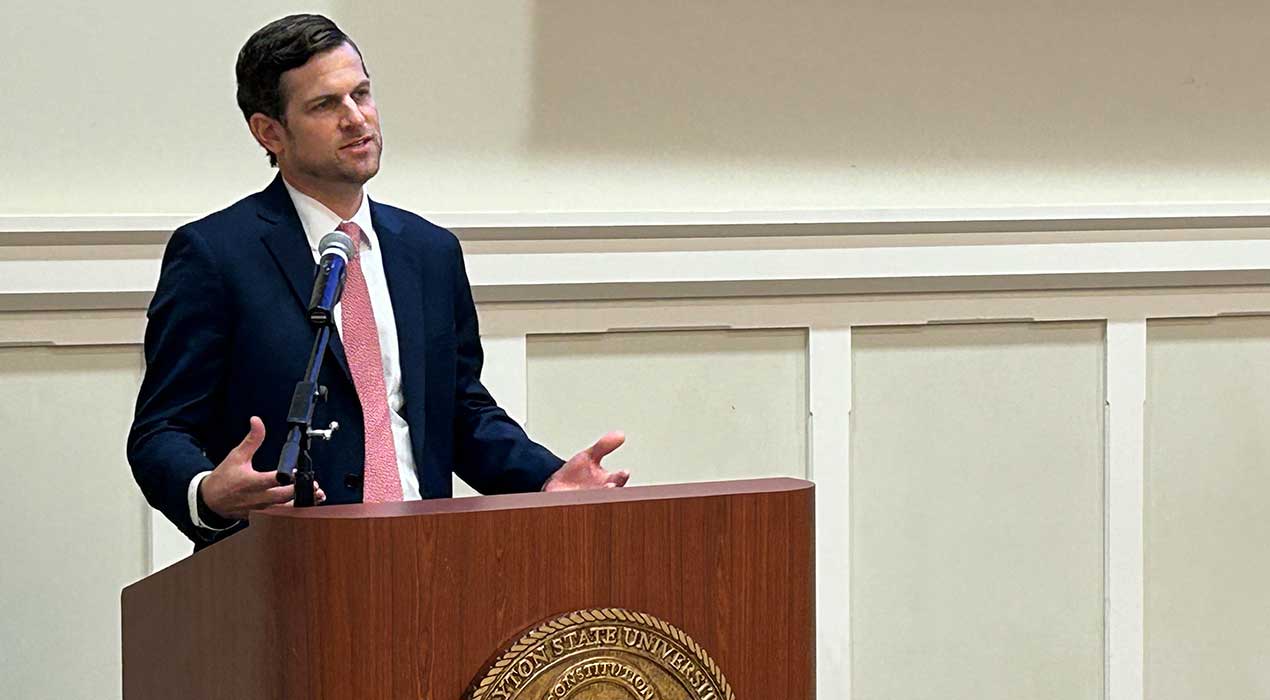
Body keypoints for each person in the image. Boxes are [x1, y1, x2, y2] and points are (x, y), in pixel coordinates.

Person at [127, 14, 629, 549]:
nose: (356, 118)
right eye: (325, 104)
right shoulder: (215, 254)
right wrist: (206, 493)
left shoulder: (429, 251)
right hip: (285, 567)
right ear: (269, 131)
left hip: (428, 557)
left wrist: (545, 478)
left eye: (361, 94)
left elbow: (459, 410)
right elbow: (162, 431)